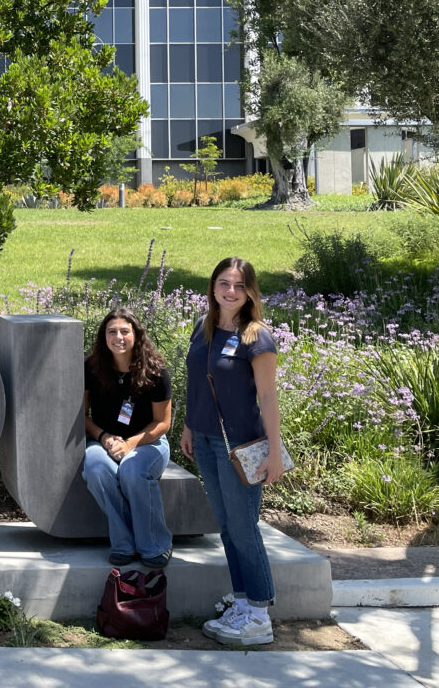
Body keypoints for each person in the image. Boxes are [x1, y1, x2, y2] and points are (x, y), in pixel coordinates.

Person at [180, 256, 286, 646]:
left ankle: (259, 616)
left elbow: (268, 397)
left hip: (242, 446)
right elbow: (197, 383)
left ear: (250, 292)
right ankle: (242, 604)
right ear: (212, 287)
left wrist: (275, 452)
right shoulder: (203, 327)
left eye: (239, 286)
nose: (230, 291)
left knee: (244, 529)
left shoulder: (256, 336)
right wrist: (190, 425)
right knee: (226, 528)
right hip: (206, 441)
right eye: (223, 283)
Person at [81, 307, 174, 569]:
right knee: (95, 466)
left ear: (137, 335)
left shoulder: (155, 371)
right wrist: (104, 437)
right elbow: (80, 415)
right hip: (103, 440)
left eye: (125, 331)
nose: (118, 337)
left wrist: (130, 443)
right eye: (112, 331)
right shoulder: (92, 368)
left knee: (133, 470)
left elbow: (163, 423)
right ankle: (124, 542)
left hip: (148, 442)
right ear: (103, 337)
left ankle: (155, 544)